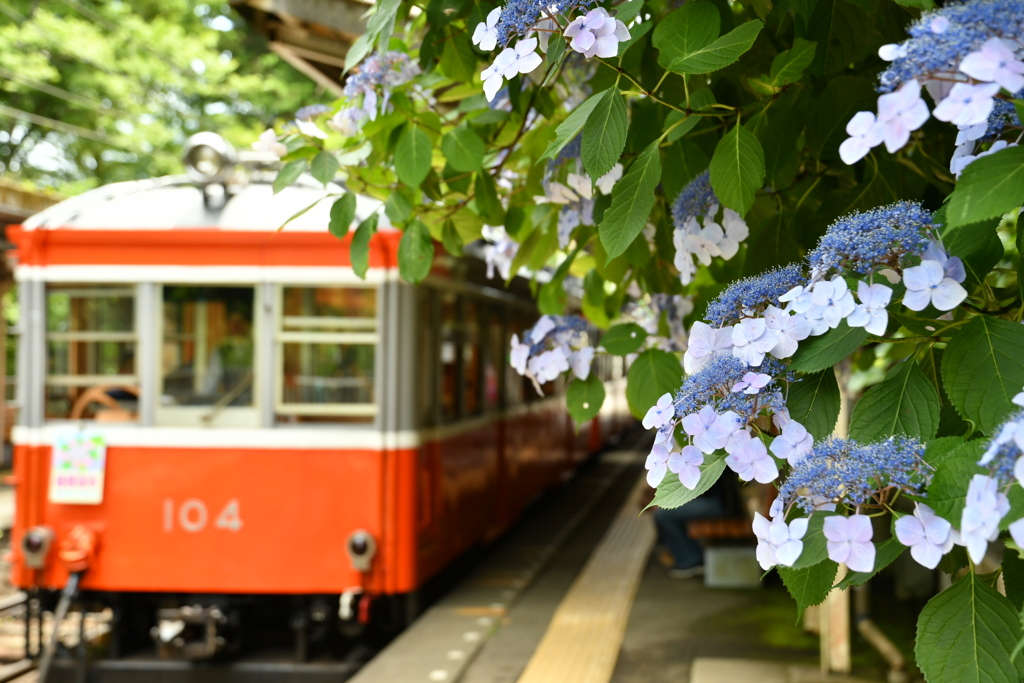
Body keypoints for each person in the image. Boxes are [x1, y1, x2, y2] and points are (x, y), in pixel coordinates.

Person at [654, 470, 741, 578]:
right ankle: (691, 557)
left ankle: (690, 560)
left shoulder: (718, 455)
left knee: (664, 515)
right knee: (663, 513)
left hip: (722, 503)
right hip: (721, 499)